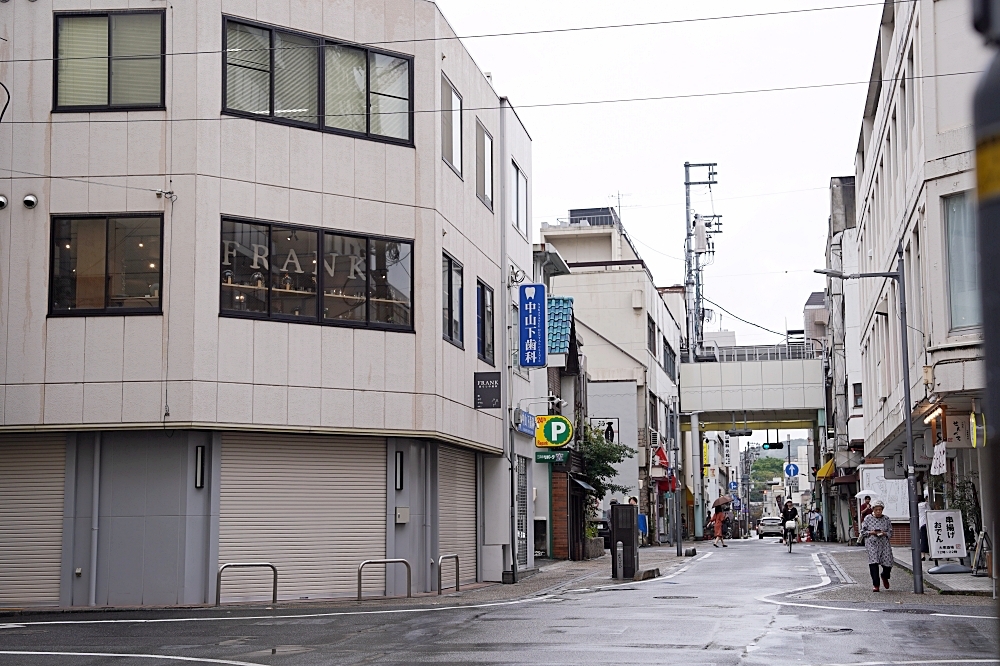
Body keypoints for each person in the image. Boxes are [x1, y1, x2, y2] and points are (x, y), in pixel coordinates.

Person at [862, 499, 893, 591]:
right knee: (873, 563)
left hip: (884, 543)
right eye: (876, 510)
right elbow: (863, 532)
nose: (878, 511)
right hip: (872, 543)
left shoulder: (886, 519)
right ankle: (876, 585)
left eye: (880, 509)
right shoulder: (868, 518)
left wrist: (884, 533)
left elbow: (890, 532)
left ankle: (884, 575)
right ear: (873, 509)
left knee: (888, 563)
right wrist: (871, 532)